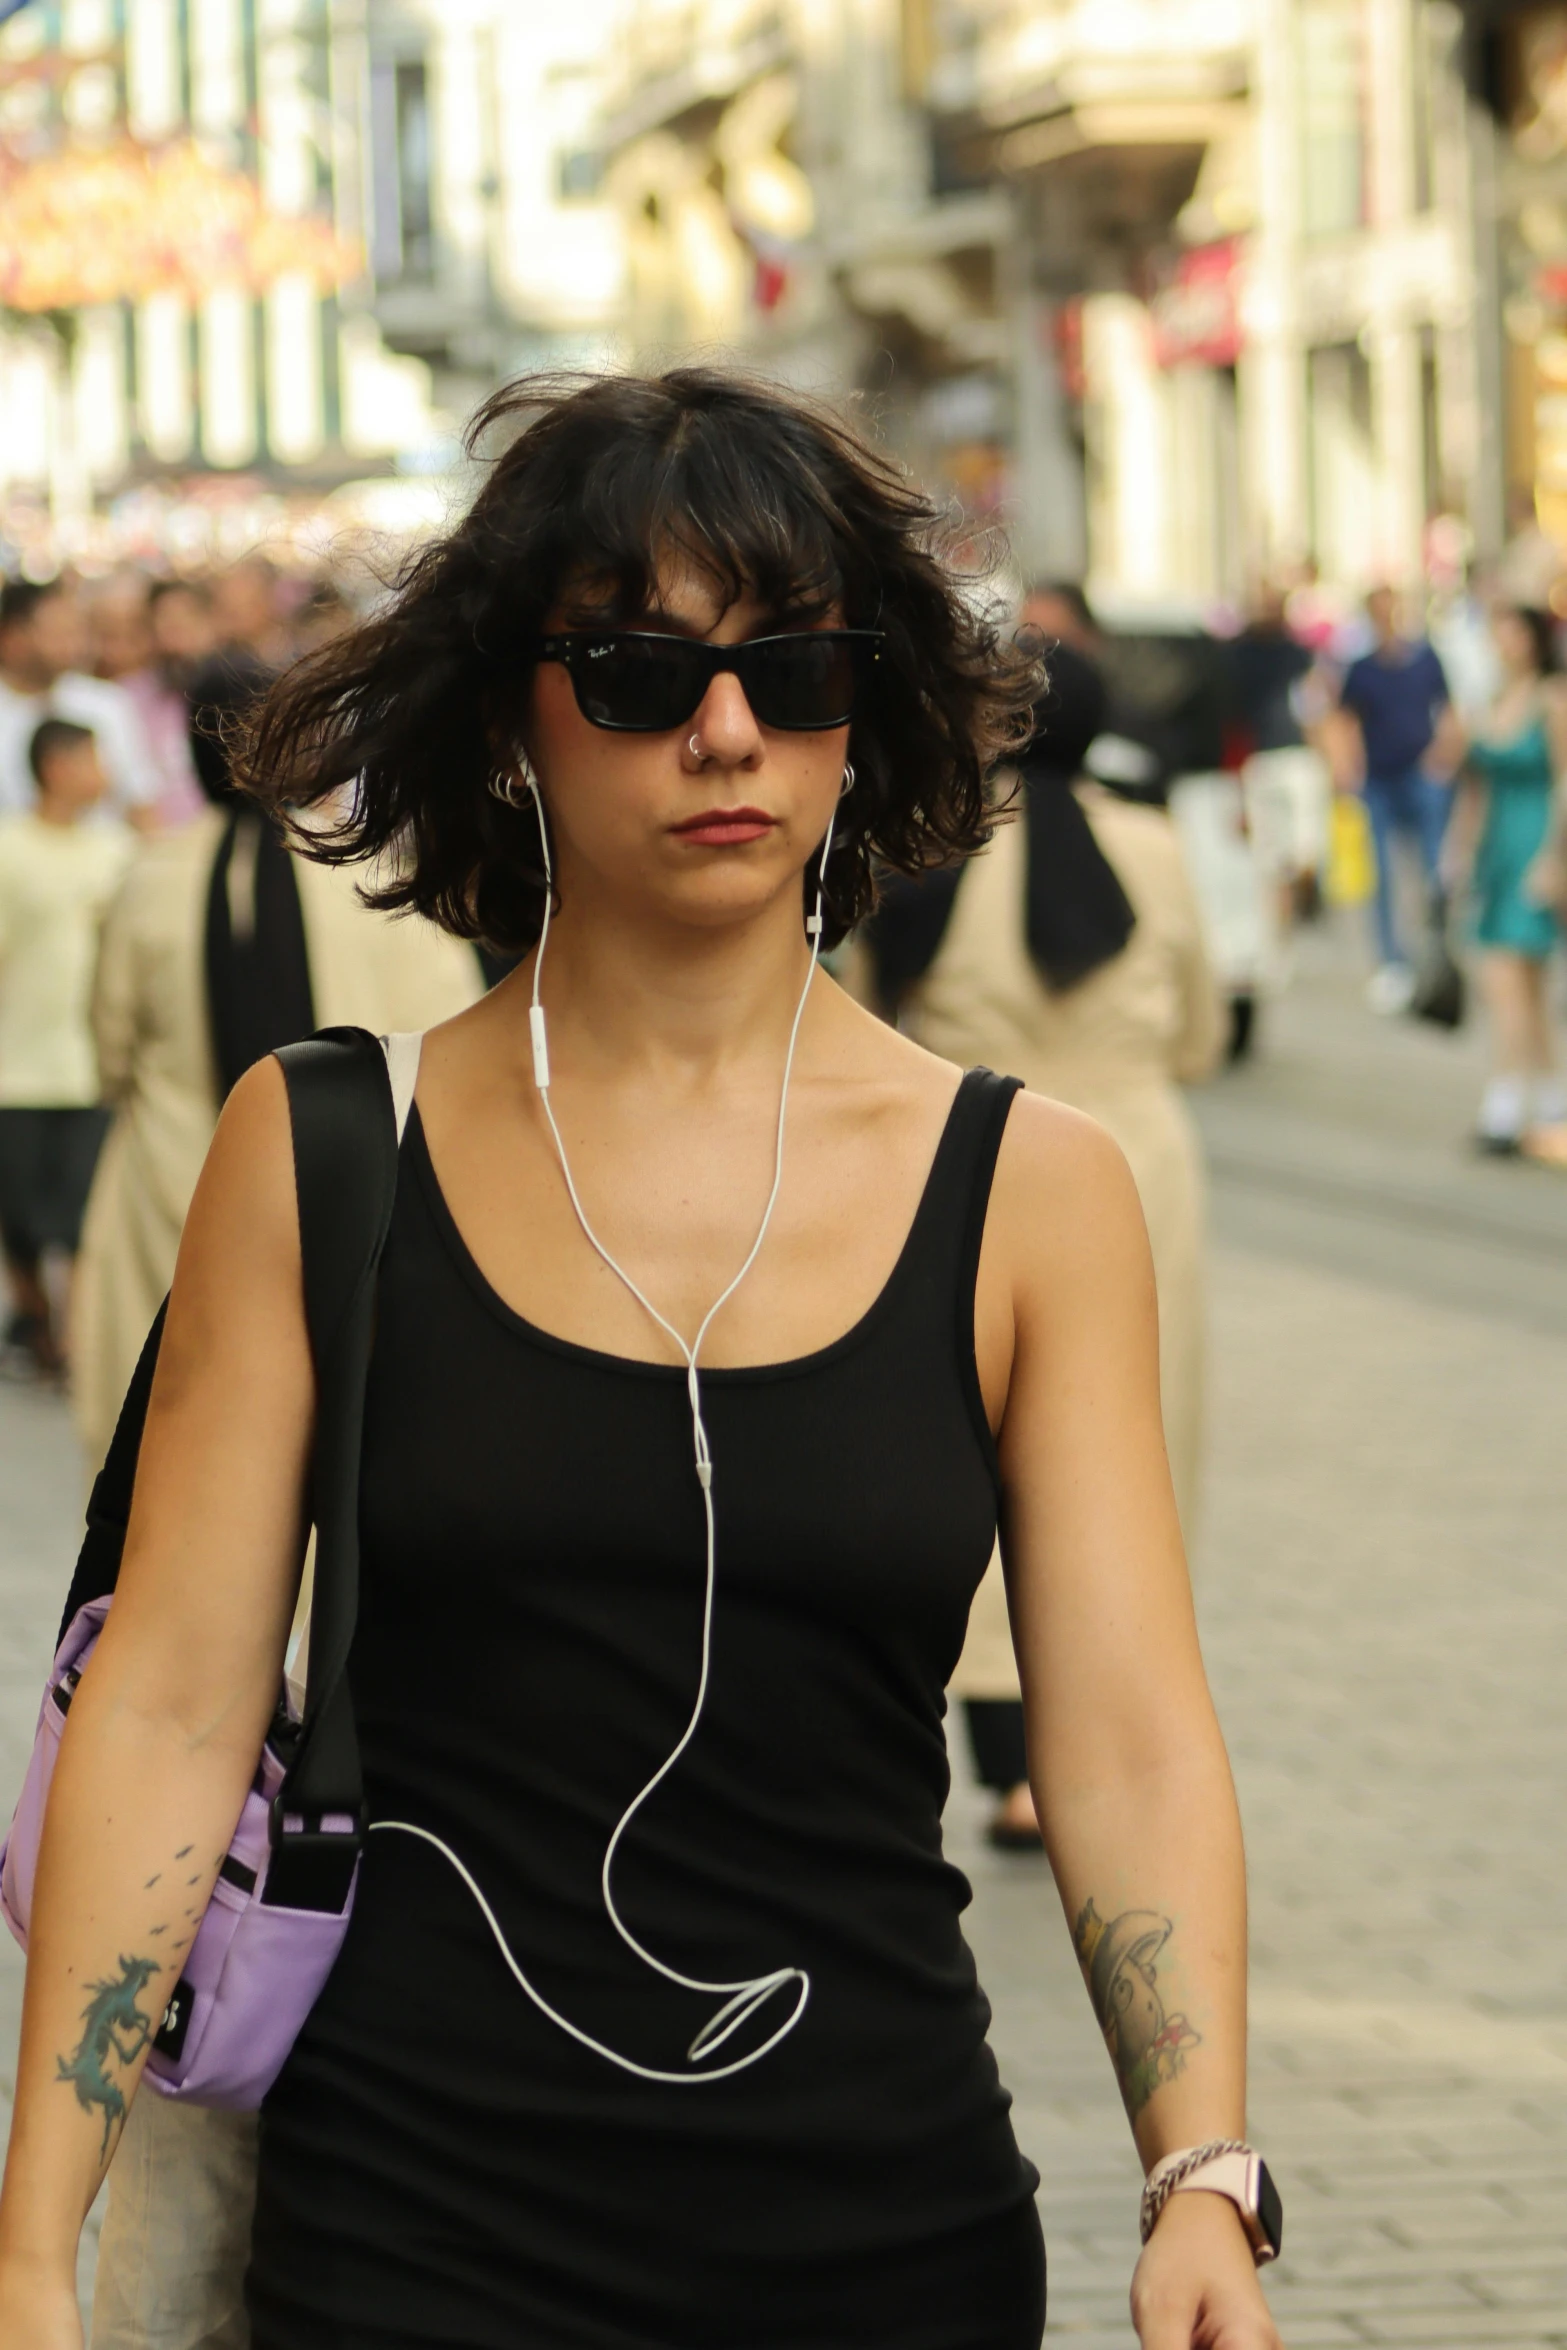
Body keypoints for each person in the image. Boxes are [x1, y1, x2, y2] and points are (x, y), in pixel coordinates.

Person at [0, 369, 1281, 2350]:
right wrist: (30, 2251)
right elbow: (167, 1704)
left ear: (872, 713)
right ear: (516, 709)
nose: (726, 730)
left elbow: (1120, 1728)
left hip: (886, 2230)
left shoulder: (1031, 1187)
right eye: (635, 669)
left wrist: (1200, 2164)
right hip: (408, 2231)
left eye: (796, 667)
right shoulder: (328, 1146)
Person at [859, 643, 1223, 1850]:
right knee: (1131, 1439)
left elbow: (865, 1009)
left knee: (971, 1439)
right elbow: (1198, 1031)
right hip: (1135, 1159)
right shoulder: (1155, 850)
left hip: (970, 1153)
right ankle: (1102, 1740)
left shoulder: (933, 844)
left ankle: (1007, 1754)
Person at [72, 744, 487, 1472]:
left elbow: (111, 1048)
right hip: (357, 1204)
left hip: (171, 1189)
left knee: (161, 1458)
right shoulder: (381, 884)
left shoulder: (150, 878)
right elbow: (457, 1046)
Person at [0, 720, 133, 1377]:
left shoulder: (115, 851)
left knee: (80, 1216)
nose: (102, 771)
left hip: (90, 1068)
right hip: (16, 1067)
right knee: (18, 1213)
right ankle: (37, 1317)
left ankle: (73, 1341)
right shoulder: (9, 849)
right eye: (90, 758)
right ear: (55, 766)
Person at [1448, 602, 1567, 1153]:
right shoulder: (1492, 701)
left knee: (1508, 979)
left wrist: (1554, 860)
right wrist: (1460, 850)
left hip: (1538, 842)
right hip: (1497, 846)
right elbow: (1474, 784)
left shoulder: (1552, 699)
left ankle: (1504, 1100)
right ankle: (1548, 1097)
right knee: (1524, 985)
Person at [1338, 584, 1463, 1010]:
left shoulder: (1426, 659)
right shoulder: (1361, 669)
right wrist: (1348, 768)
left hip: (1420, 775)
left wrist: (1442, 756)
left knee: (1433, 868)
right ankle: (1392, 961)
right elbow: (1346, 720)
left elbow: (1447, 711)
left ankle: (1440, 954)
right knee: (1383, 874)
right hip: (1379, 780)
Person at [0, 582, 160, 828]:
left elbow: (141, 803)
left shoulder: (108, 703)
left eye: (75, 632)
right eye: (56, 634)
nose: (72, 646)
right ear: (11, 637)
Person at [90, 576, 206, 830]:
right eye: (166, 621)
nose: (177, 631)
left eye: (187, 619)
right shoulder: (120, 698)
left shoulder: (232, 692)